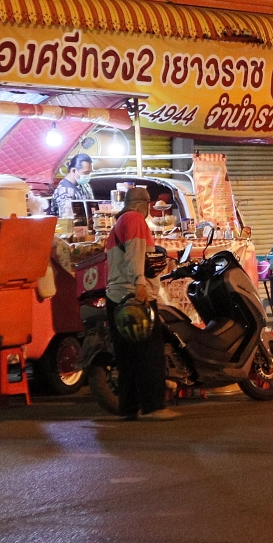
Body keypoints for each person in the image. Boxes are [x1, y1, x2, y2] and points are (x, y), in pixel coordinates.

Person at [106, 187, 177, 421]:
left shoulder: (120, 222)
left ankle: (128, 408)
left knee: (128, 357)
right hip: (134, 297)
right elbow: (135, 253)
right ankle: (153, 406)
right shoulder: (135, 219)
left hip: (117, 297)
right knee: (149, 353)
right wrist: (139, 284)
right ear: (143, 205)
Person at [52, 153, 95, 220]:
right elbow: (67, 219)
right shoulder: (64, 191)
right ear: (74, 171)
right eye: (86, 173)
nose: (88, 176)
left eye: (90, 173)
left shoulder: (85, 185)